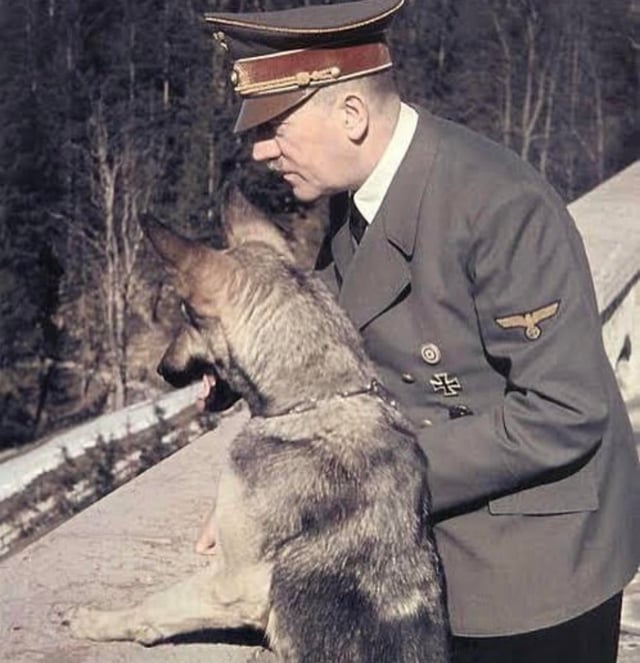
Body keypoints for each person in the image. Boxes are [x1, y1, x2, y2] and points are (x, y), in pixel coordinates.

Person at [201, 1, 640, 661]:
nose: (262, 152)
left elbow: (563, 412)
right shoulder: (360, 197)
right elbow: (341, 331)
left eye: (276, 127)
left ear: (352, 115)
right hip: (441, 550)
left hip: (536, 568)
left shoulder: (499, 207)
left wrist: (348, 478)